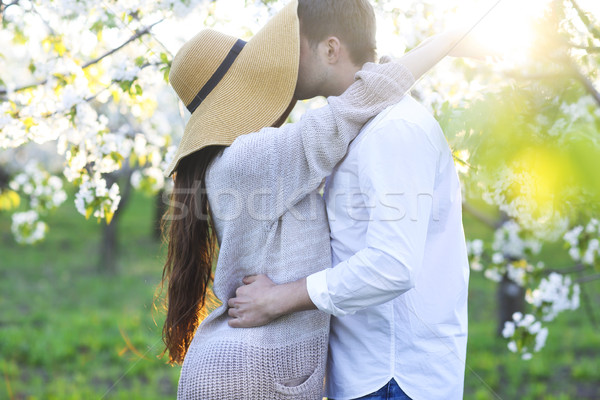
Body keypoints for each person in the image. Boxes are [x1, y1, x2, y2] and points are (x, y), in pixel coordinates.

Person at [162, 0, 479, 398]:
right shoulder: (250, 159)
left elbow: (361, 101)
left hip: (302, 371)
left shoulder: (381, 130)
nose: (282, 68)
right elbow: (362, 98)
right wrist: (446, 41)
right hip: (250, 373)